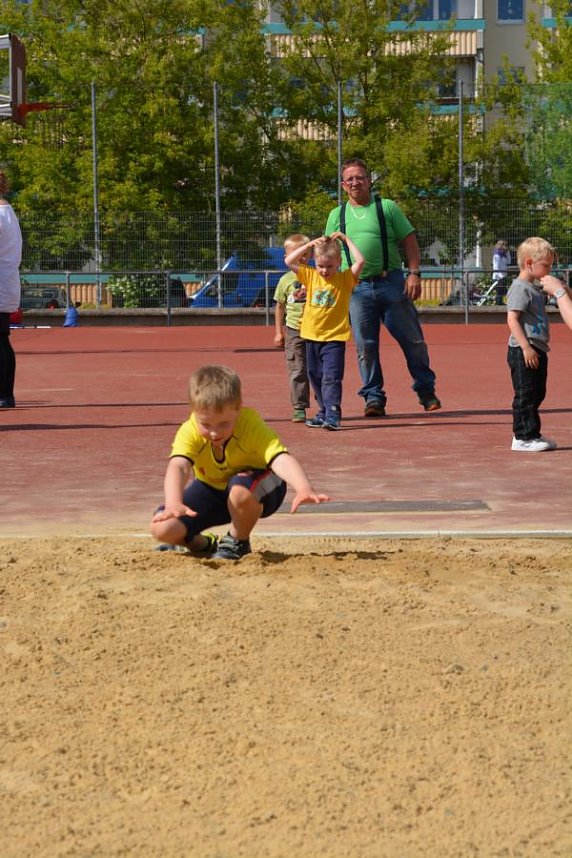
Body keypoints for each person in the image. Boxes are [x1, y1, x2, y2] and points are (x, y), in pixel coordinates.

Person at [150, 364, 329, 560]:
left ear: (238, 407)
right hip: (213, 490)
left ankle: (237, 541)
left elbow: (280, 459)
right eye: (206, 424)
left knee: (239, 489)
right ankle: (201, 544)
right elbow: (179, 466)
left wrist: (303, 488)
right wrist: (173, 502)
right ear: (194, 412)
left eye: (224, 424)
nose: (214, 432)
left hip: (264, 486)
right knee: (162, 528)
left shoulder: (250, 424)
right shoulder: (189, 430)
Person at [325, 157, 440, 417]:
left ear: (369, 180)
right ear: (343, 185)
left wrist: (414, 274)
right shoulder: (337, 215)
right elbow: (328, 252)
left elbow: (409, 241)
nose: (355, 182)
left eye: (360, 177)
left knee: (413, 341)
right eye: (350, 179)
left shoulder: (386, 207)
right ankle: (373, 398)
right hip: (356, 289)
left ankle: (426, 390)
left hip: (392, 283)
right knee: (365, 346)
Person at [284, 232, 365, 430]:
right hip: (311, 337)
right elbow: (288, 261)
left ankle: (333, 414)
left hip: (334, 339)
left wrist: (347, 240)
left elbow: (361, 260)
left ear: (338, 263)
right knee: (315, 375)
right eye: (321, 266)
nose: (324, 271)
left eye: (329, 266)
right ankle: (323, 411)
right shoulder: (310, 275)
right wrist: (310, 245)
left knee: (331, 376)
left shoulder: (345, 279)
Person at [507, 237, 559, 453]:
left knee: (538, 392)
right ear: (529, 263)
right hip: (523, 350)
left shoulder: (535, 288)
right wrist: (526, 347)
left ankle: (532, 433)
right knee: (526, 392)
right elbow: (512, 319)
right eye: (545, 265)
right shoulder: (521, 288)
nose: (549, 270)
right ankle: (523, 437)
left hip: (537, 348)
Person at [273, 233, 311, 423]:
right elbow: (279, 307)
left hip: (316, 330)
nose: (301, 257)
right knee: (297, 369)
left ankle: (326, 404)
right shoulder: (285, 281)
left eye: (304, 253)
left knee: (318, 370)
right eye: (295, 253)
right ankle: (299, 407)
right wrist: (279, 332)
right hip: (294, 330)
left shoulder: (317, 275)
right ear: (287, 256)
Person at [0, 170, 23, 409]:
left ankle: (5, 395)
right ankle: (5, 394)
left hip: (1, 280)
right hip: (6, 280)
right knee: (2, 339)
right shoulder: (8, 212)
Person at [492, 239, 511, 306]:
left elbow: (509, 262)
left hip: (503, 276)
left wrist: (508, 253)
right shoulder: (497, 255)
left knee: (505, 291)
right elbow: (496, 267)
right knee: (500, 292)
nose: (506, 247)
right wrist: (501, 276)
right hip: (498, 277)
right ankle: (499, 304)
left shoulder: (504, 255)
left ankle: (505, 304)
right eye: (505, 245)